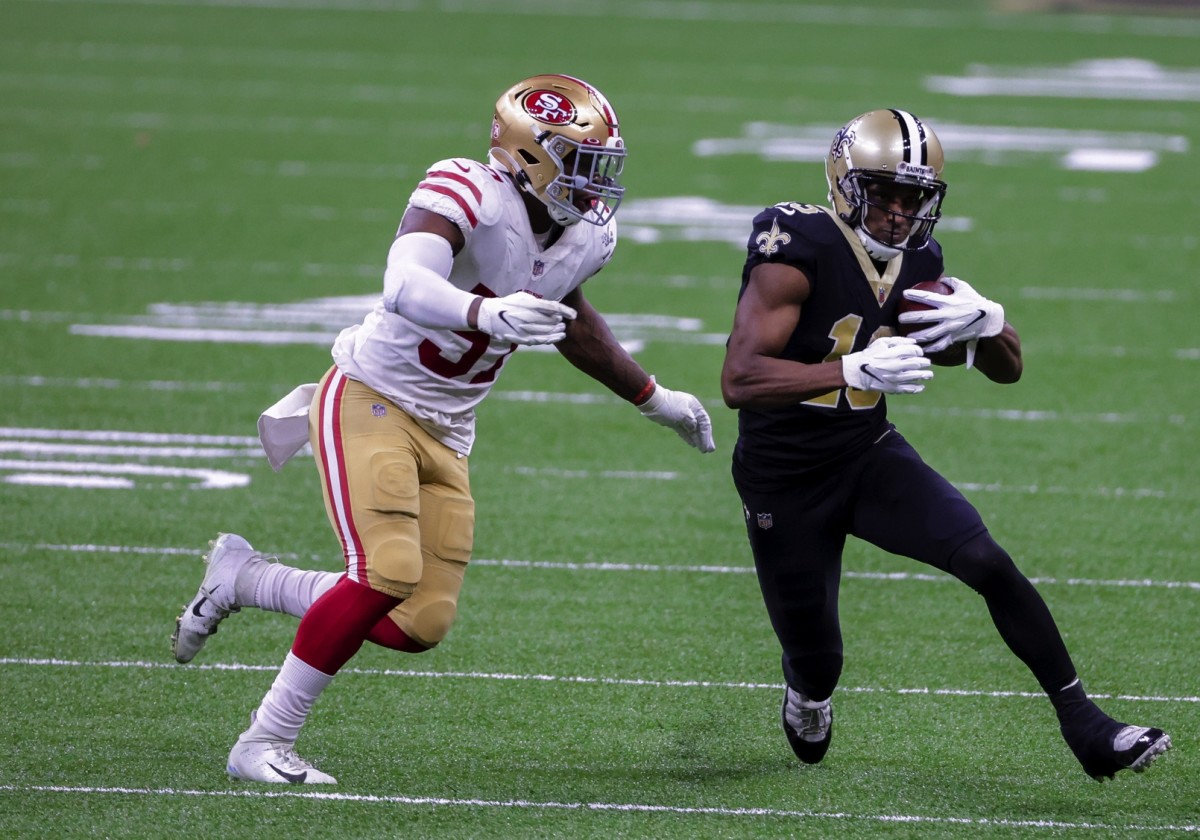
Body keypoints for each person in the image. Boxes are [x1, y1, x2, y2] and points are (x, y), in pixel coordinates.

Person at [170, 74, 715, 785]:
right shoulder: (466, 190)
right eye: (580, 162)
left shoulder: (585, 235)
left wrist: (655, 398)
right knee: (385, 573)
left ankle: (244, 578)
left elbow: (569, 317)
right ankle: (262, 741)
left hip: (450, 429)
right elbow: (404, 283)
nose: (594, 184)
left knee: (417, 622)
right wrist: (484, 314)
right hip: (371, 396)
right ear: (529, 153)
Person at [719, 108, 1170, 781]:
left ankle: (1087, 724)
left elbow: (1007, 369)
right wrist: (847, 369)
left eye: (914, 198)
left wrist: (989, 322)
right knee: (819, 661)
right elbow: (740, 378)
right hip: (783, 479)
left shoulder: (920, 260)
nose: (900, 214)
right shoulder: (797, 246)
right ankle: (805, 693)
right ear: (845, 185)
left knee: (985, 560)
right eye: (884, 195)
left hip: (866, 455)